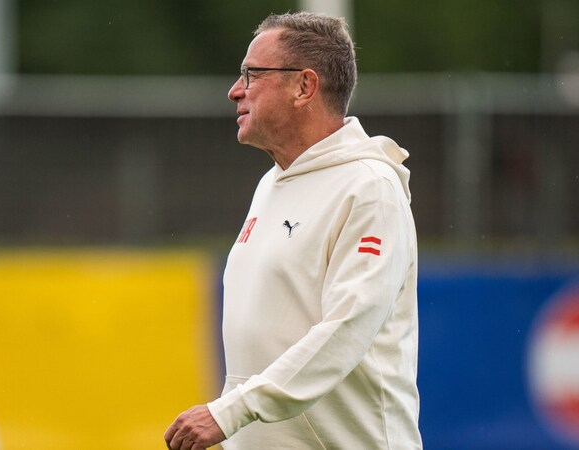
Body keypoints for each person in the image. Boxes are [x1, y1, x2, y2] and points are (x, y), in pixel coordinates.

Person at [165, 11, 421, 450]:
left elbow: (346, 328)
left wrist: (230, 412)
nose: (234, 90)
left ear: (304, 86)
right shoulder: (272, 182)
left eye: (252, 74)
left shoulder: (370, 188)